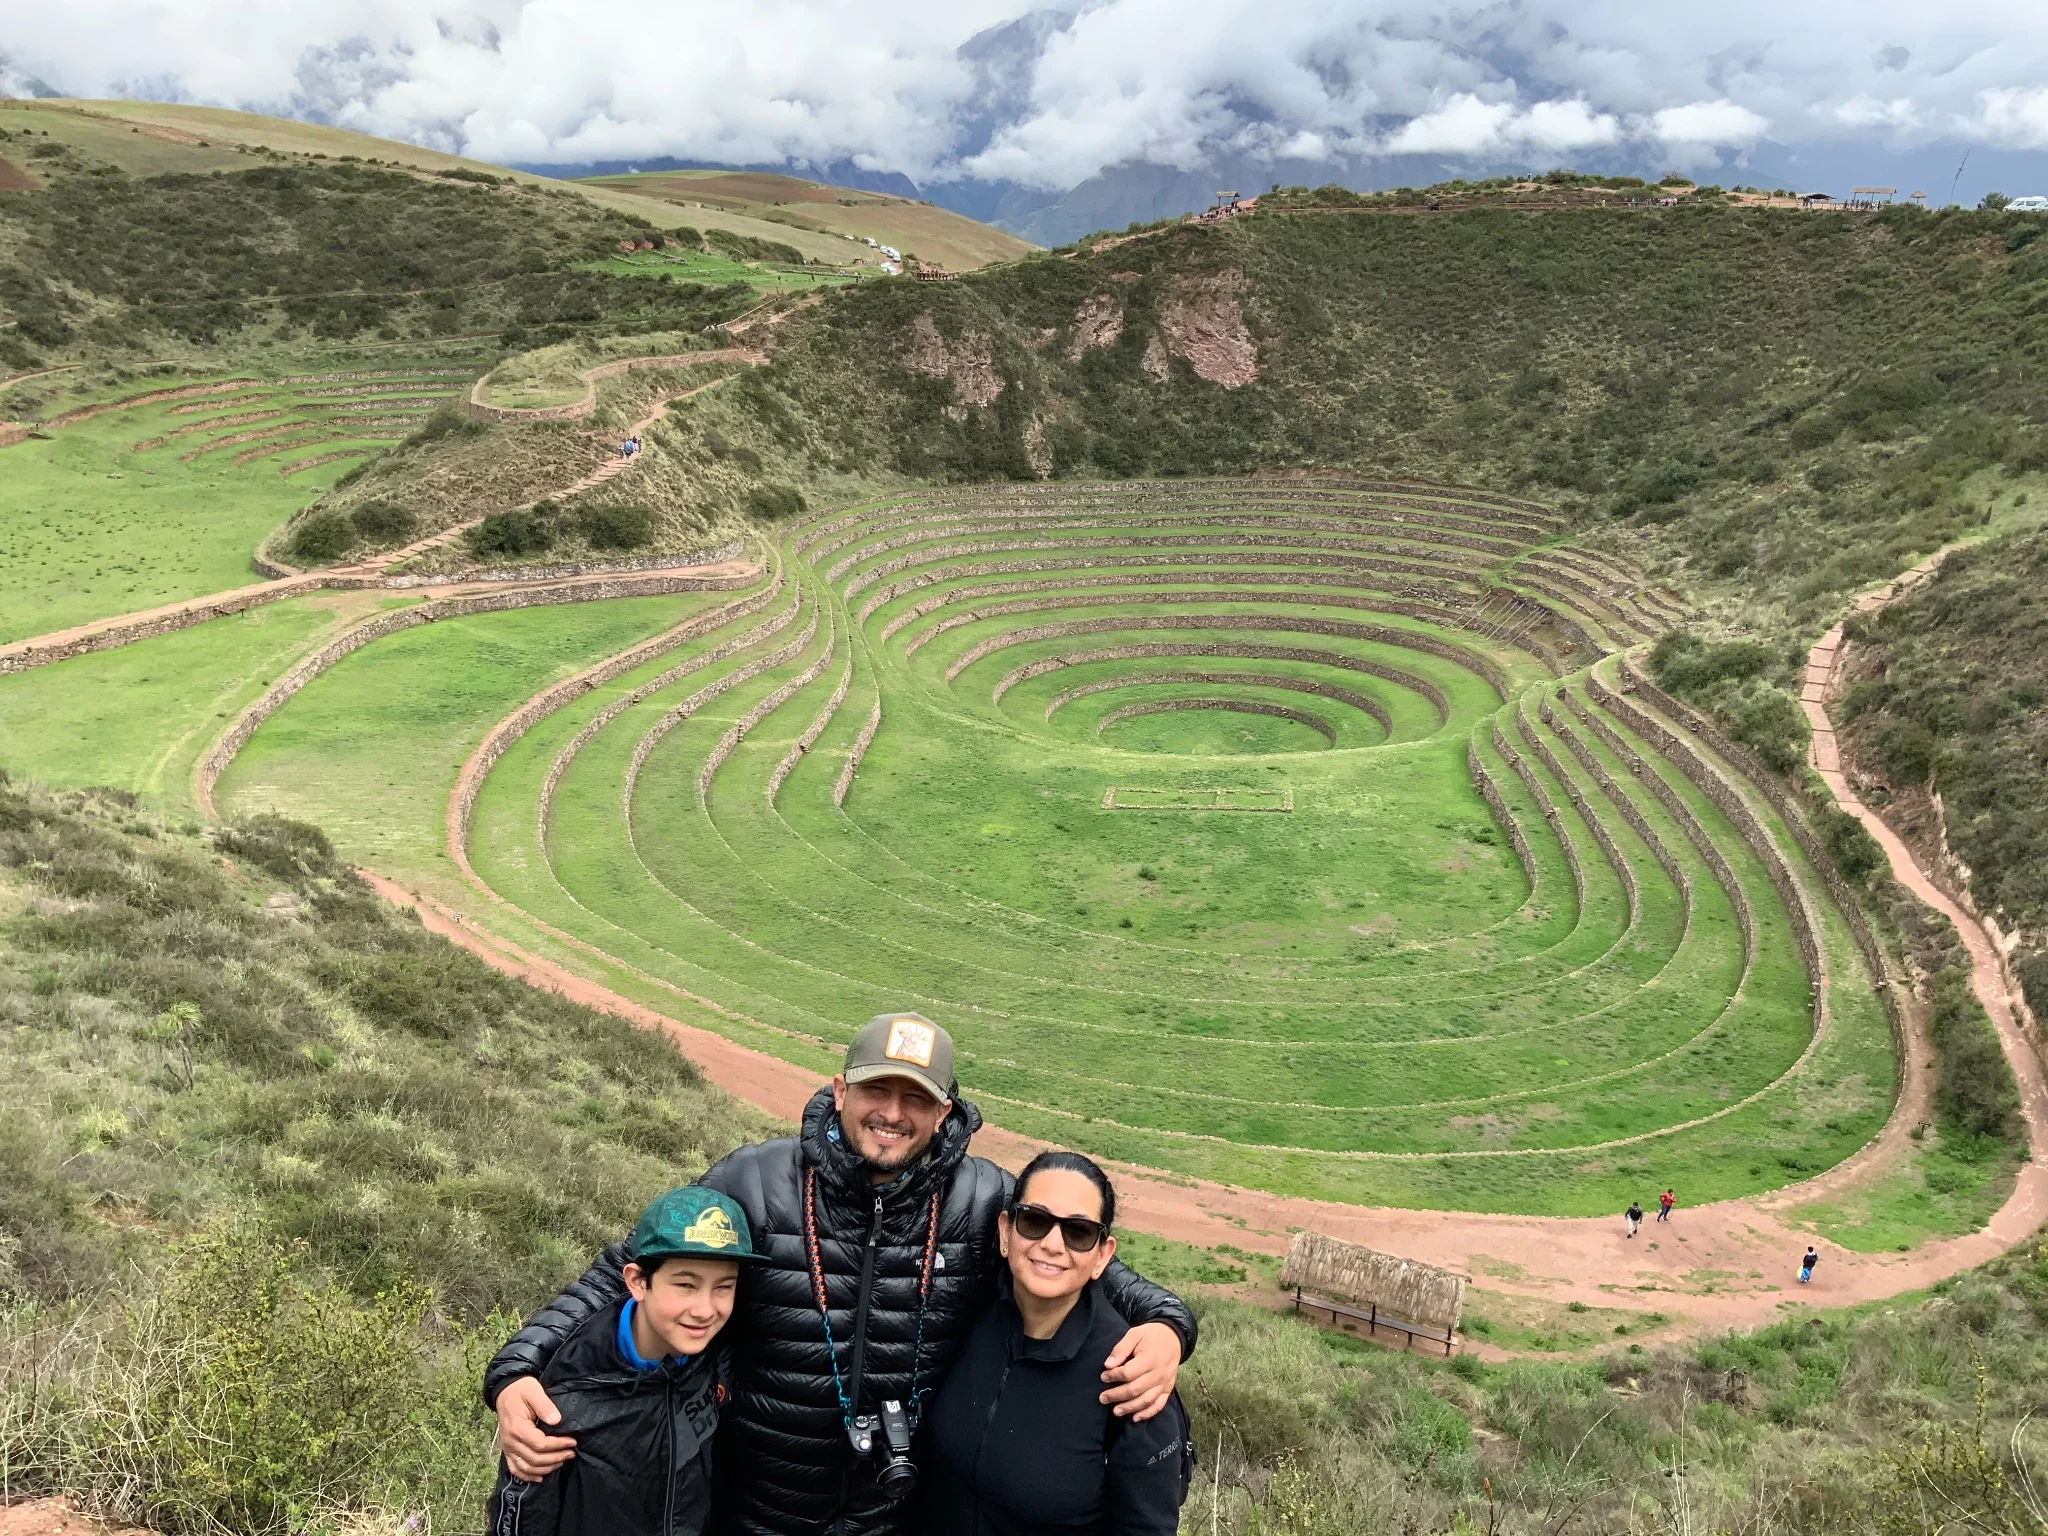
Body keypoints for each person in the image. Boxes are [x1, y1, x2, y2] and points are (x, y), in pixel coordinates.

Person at [487, 1012, 1196, 1536]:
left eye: (916, 1098)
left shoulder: (985, 1202)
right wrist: (516, 1372)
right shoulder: (755, 1181)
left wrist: (1167, 1325)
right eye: (876, 1091)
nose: (892, 1114)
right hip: (749, 1514)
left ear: (945, 1112)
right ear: (839, 1088)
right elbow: (627, 1270)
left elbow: (1075, 1254)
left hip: (894, 1521)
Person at [921, 1151, 1188, 1536]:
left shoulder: (1131, 1378)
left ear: (1102, 1256)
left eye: (1078, 1231)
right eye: (1034, 1220)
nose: (1052, 1244)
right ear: (1004, 1232)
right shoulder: (964, 1319)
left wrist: (1171, 1329)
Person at [486, 1186, 764, 1536]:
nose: (705, 1309)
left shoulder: (715, 1361)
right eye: (685, 1285)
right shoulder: (561, 1399)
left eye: (724, 1287)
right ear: (637, 1281)